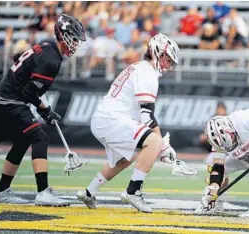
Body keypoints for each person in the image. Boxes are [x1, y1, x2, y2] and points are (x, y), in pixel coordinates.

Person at [76, 33, 180, 213]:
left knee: (127, 157)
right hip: (111, 119)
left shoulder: (139, 68)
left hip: (106, 118)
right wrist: (162, 145)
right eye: (167, 59)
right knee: (153, 142)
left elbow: (142, 115)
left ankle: (89, 191)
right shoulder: (147, 73)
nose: (169, 64)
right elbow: (147, 118)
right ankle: (133, 191)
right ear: (158, 53)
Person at [0, 14, 86, 206]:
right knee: (39, 137)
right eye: (74, 38)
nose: (76, 44)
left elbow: (19, 58)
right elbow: (29, 93)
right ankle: (43, 192)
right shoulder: (51, 59)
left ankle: (2, 191)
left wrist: (45, 109)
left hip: (5, 98)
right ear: (63, 35)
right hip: (9, 101)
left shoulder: (47, 47)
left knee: (22, 140)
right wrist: (45, 110)